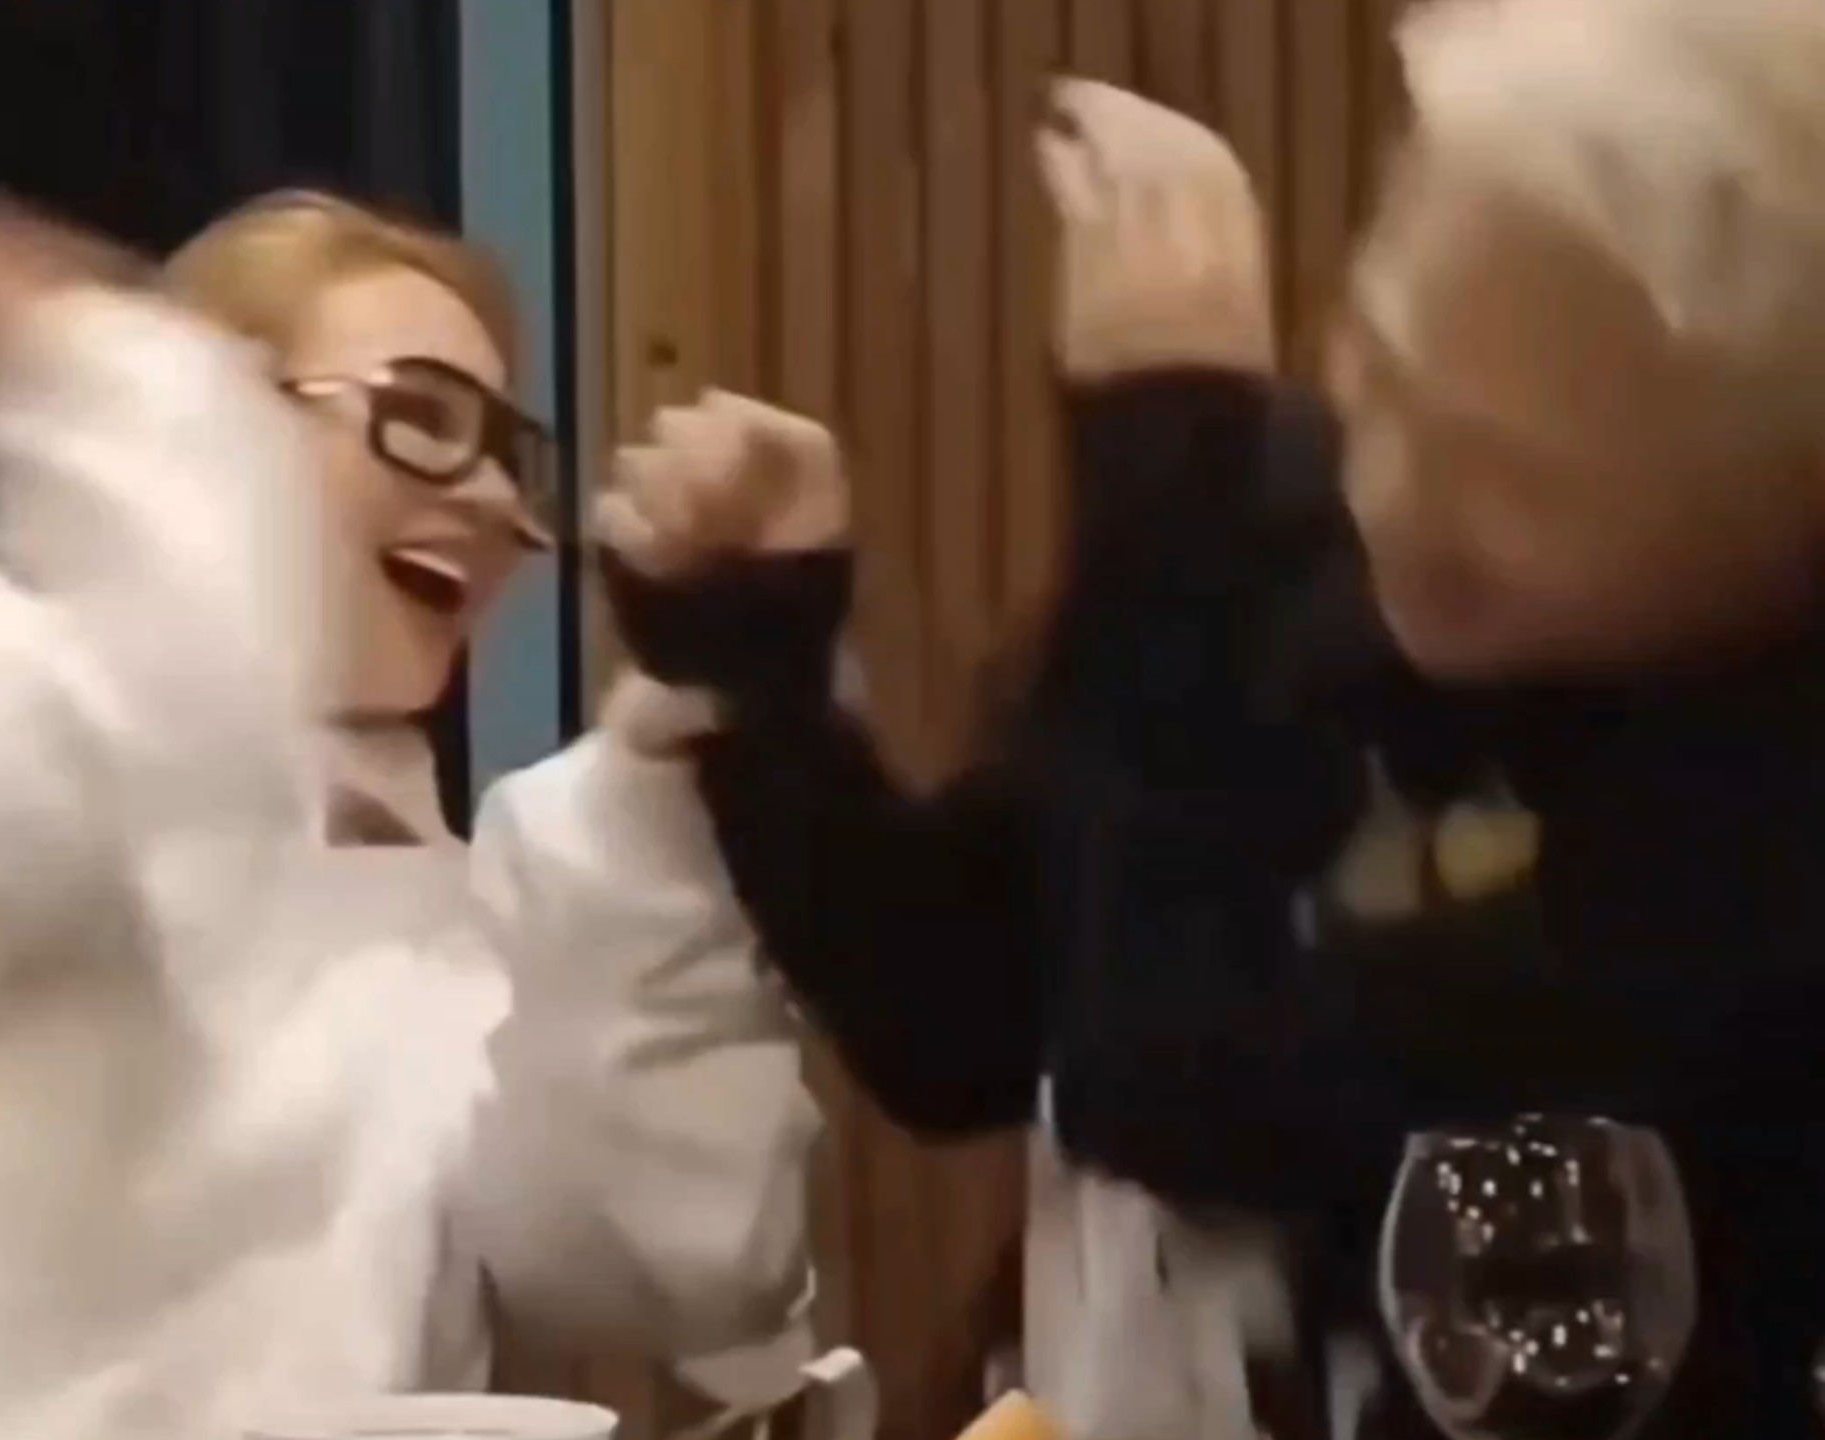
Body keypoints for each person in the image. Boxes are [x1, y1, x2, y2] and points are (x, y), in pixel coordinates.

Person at [595, 0, 1825, 1431]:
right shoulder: (1287, 541)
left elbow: (1177, 1086)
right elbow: (967, 1018)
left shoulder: (1757, 827)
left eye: (1518, 486)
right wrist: (763, 665)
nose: (1400, 494)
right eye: (1380, 362)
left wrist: (1170, 488)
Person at [0, 194, 818, 1440]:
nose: (494, 504)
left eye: (512, 458)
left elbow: (678, 1277)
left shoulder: (475, 950)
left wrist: (652, 807)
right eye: (424, 421)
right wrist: (95, 375)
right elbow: (134, 778)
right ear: (232, 423)